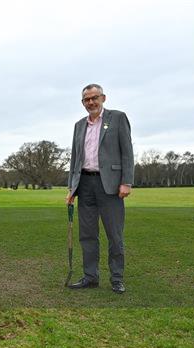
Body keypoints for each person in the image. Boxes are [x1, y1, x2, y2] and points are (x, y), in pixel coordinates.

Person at [66, 84, 134, 294]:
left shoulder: (118, 118)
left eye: (94, 98)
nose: (91, 102)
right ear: (82, 102)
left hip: (111, 186)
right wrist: (71, 188)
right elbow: (75, 159)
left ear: (103, 98)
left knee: (114, 235)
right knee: (87, 235)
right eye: (87, 99)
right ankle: (90, 276)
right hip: (85, 184)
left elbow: (127, 152)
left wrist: (126, 182)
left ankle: (117, 278)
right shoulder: (79, 125)